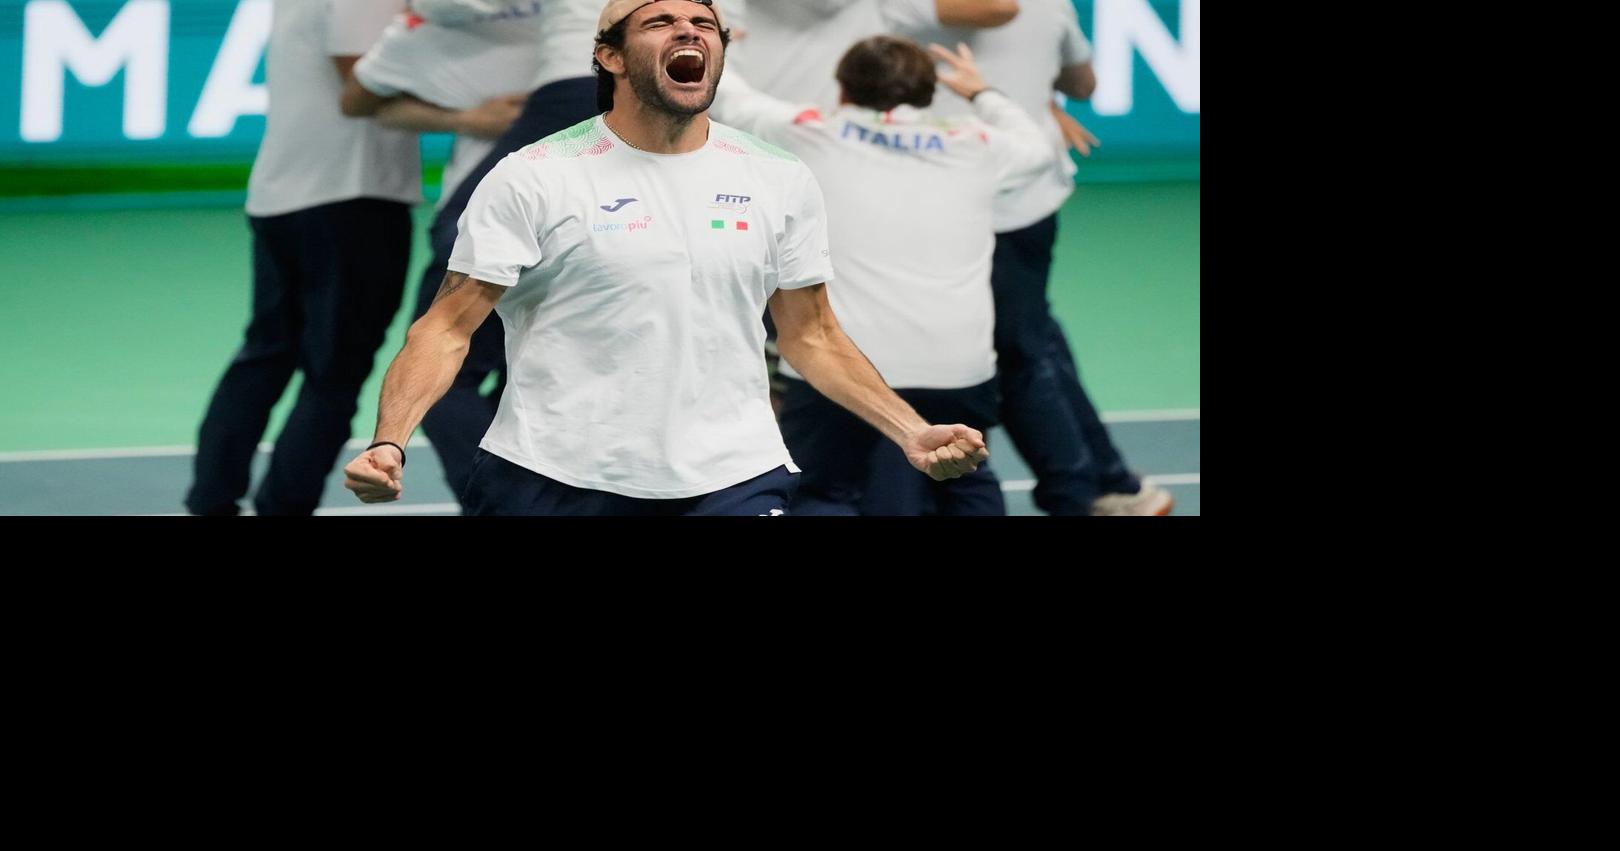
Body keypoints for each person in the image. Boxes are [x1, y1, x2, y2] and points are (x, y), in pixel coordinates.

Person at [341, 0, 987, 515]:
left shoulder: (779, 177)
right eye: (661, 21)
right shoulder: (532, 175)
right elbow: (447, 328)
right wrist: (389, 439)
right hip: (559, 474)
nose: (689, 29)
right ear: (609, 56)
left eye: (705, 23)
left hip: (733, 474)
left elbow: (812, 334)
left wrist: (909, 429)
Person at [714, 36, 1054, 514]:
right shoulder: (977, 144)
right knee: (960, 482)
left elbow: (732, 99)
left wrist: (716, 39)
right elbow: (1038, 148)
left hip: (842, 368)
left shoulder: (811, 132)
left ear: (843, 89)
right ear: (929, 93)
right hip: (956, 364)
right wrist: (983, 93)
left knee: (821, 491)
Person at [185, 0, 420, 516]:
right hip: (351, 196)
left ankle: (210, 500)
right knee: (333, 375)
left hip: (282, 193)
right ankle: (282, 509)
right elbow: (361, 87)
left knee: (267, 354)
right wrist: (485, 111)